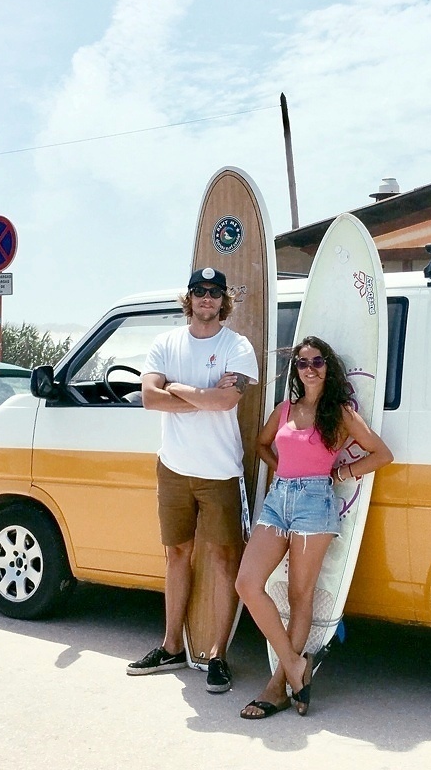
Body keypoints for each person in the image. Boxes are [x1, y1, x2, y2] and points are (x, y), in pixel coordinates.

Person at [234, 336, 392, 719]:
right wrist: (284, 471)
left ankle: (277, 687)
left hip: (315, 503)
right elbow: (261, 444)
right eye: (303, 363)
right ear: (297, 370)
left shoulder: (339, 413)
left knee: (299, 596)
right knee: (247, 584)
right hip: (279, 500)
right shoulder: (285, 409)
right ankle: (295, 664)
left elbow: (382, 454)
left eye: (317, 362)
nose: (310, 369)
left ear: (328, 367)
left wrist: (342, 472)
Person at [127, 267, 258, 695]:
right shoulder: (166, 343)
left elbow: (226, 401)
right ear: (189, 298)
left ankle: (218, 655)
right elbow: (150, 398)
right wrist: (203, 395)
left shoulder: (237, 346)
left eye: (214, 292)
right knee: (176, 555)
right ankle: (170, 647)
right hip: (174, 469)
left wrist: (177, 387)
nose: (206, 298)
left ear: (224, 301)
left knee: (223, 561)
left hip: (220, 472)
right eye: (199, 291)